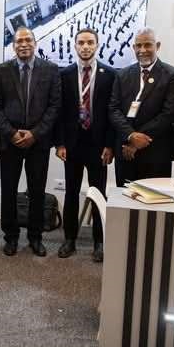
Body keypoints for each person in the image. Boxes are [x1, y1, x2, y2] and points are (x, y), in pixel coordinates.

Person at [0, 26, 61, 257]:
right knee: (8, 190)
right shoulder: (2, 70)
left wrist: (35, 133)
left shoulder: (50, 70)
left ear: (35, 43)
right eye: (19, 41)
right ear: (13, 46)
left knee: (37, 191)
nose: (23, 44)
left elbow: (54, 106)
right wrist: (11, 133)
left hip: (38, 143)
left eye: (28, 40)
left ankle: (35, 237)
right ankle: (10, 237)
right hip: (10, 143)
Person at [54, 28, 115, 262]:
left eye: (90, 42)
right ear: (75, 46)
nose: (85, 47)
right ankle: (69, 238)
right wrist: (59, 143)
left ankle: (100, 241)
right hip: (73, 144)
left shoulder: (110, 74)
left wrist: (110, 145)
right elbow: (59, 112)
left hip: (99, 146)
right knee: (71, 192)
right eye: (81, 43)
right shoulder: (65, 74)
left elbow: (112, 113)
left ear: (97, 45)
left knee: (98, 193)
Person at [109, 27, 174, 186]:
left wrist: (137, 139)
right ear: (133, 48)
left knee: (154, 198)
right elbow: (113, 109)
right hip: (125, 151)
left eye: (148, 45)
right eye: (139, 46)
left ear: (158, 46)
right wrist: (130, 136)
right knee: (124, 196)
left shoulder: (172, 75)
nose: (142, 50)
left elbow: (169, 114)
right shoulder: (122, 74)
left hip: (155, 152)